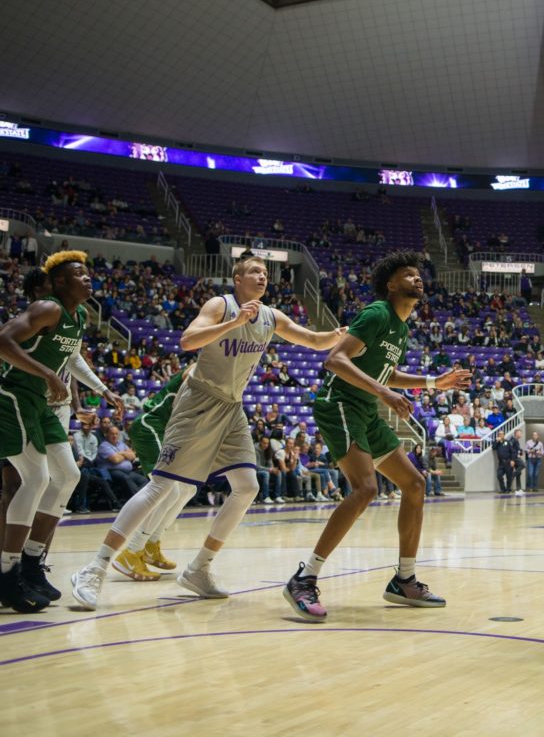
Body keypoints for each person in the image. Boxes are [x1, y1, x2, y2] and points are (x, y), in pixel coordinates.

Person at [71, 256, 347, 610]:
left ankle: (199, 568)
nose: (262, 276)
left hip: (231, 407)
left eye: (265, 272)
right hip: (199, 400)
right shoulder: (221, 305)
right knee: (162, 486)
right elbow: (188, 341)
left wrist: (338, 335)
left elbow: (312, 339)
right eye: (254, 271)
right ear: (237, 278)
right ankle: (95, 567)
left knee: (248, 487)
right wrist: (233, 322)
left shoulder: (271, 316)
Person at [282, 251, 470, 621]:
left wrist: (434, 382)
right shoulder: (377, 314)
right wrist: (383, 392)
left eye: (419, 275)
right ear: (390, 284)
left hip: (365, 409)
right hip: (340, 404)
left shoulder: (400, 328)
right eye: (408, 275)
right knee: (365, 488)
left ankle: (404, 579)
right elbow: (335, 360)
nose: (417, 279)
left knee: (414, 484)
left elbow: (387, 374)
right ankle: (304, 578)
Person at [0, 251, 94, 613]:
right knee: (34, 479)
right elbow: (3, 340)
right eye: (78, 275)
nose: (86, 279)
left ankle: (31, 563)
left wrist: (79, 390)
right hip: (11, 395)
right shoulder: (47, 308)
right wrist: (49, 374)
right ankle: (7, 573)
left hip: (39, 401)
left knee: (68, 475)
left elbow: (69, 359)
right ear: (58, 282)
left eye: (88, 274)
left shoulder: (80, 314)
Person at [112, 366, 195, 581]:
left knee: (188, 488)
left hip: (169, 430)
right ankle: (131, 552)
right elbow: (189, 378)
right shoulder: (202, 365)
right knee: (170, 490)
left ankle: (151, 545)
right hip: (151, 424)